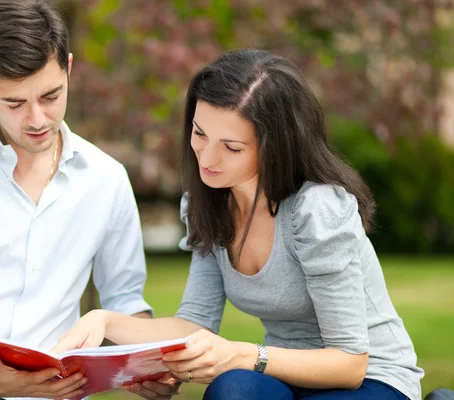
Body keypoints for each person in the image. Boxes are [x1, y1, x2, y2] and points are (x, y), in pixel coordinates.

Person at [52, 49, 425, 400]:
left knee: (238, 373)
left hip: (372, 378)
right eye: (200, 134)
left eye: (231, 147)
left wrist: (240, 355)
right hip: (286, 373)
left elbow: (350, 364)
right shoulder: (206, 203)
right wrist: (104, 322)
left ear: (275, 146)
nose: (208, 158)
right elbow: (195, 324)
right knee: (233, 390)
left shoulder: (316, 209)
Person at [0, 1, 181, 399]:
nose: (37, 119)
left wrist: (147, 365)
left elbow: (126, 302)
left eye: (50, 96)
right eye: (15, 103)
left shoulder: (107, 179)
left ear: (69, 69)